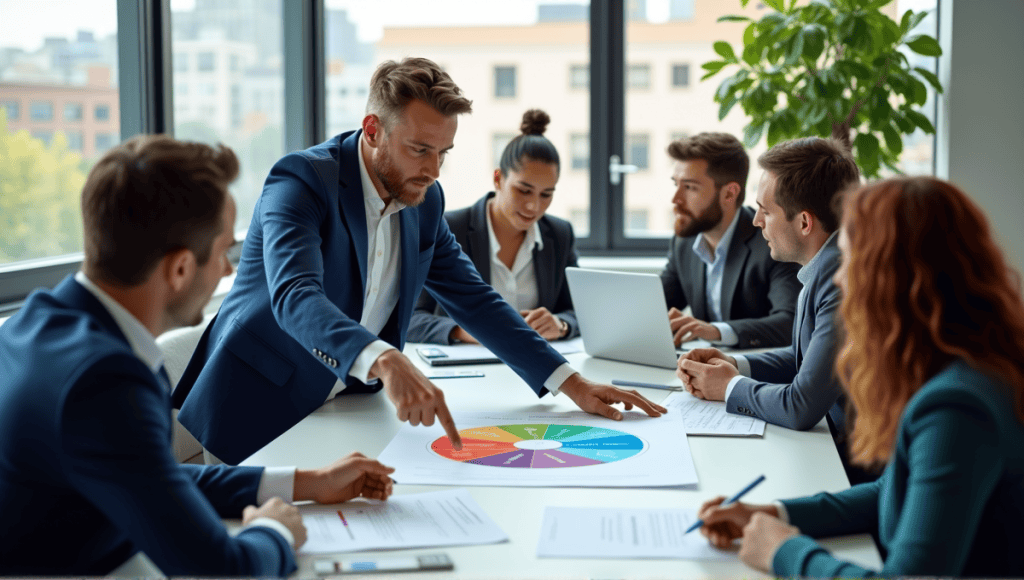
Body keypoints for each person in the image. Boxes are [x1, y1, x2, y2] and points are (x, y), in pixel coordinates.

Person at [172, 57, 664, 466]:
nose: (431, 170)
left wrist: (569, 383)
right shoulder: (300, 180)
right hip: (256, 402)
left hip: (344, 404)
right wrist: (384, 358)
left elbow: (474, 299)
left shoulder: (424, 199)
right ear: (372, 130)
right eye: (419, 149)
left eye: (443, 153)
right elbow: (295, 296)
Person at [0, 135, 395, 576]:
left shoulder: (34, 321)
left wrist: (306, 483)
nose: (230, 268)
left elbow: (148, 478)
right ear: (181, 269)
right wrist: (274, 530)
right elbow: (222, 569)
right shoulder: (104, 381)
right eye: (224, 251)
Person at [695, 176, 1024, 577]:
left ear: (895, 280)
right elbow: (895, 491)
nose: (838, 280)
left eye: (851, 263)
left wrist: (784, 551)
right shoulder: (961, 365)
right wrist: (773, 512)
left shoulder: (956, 406)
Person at [677, 137, 859, 434]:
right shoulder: (826, 263)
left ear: (804, 223)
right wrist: (733, 364)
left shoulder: (840, 277)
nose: (757, 221)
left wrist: (728, 387)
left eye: (766, 210)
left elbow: (800, 406)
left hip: (858, 462)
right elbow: (805, 360)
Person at [408, 109, 579, 344]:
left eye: (546, 194)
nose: (533, 206)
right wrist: (462, 330)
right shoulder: (449, 228)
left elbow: (578, 312)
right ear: (498, 179)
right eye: (524, 190)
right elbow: (409, 318)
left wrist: (560, 324)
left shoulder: (560, 235)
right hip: (467, 368)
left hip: (533, 364)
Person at [660, 132, 800, 349]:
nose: (675, 199)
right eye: (675, 184)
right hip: (702, 370)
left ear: (729, 194)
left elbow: (790, 322)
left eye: (689, 187)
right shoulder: (684, 243)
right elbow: (657, 307)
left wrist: (715, 331)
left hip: (755, 374)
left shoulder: (772, 242)